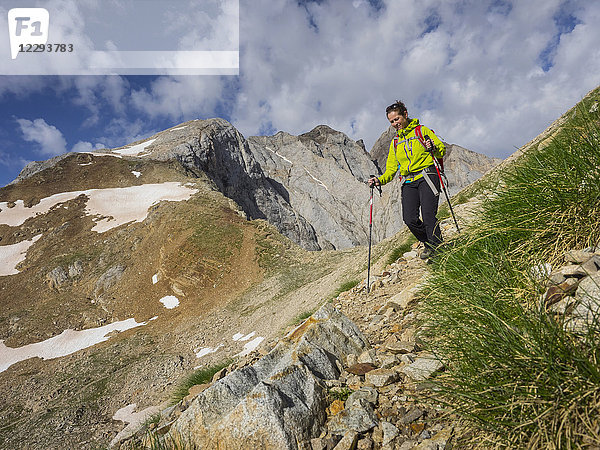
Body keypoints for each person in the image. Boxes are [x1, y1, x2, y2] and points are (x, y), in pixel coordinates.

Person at [368, 100, 446, 260]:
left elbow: (441, 151)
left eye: (397, 119)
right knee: (409, 219)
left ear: (405, 114)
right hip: (409, 182)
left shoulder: (421, 131)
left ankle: (438, 250)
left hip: (427, 176)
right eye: (391, 122)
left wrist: (433, 147)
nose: (395, 124)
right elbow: (390, 170)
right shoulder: (395, 143)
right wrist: (379, 181)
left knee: (428, 214)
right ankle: (431, 243)